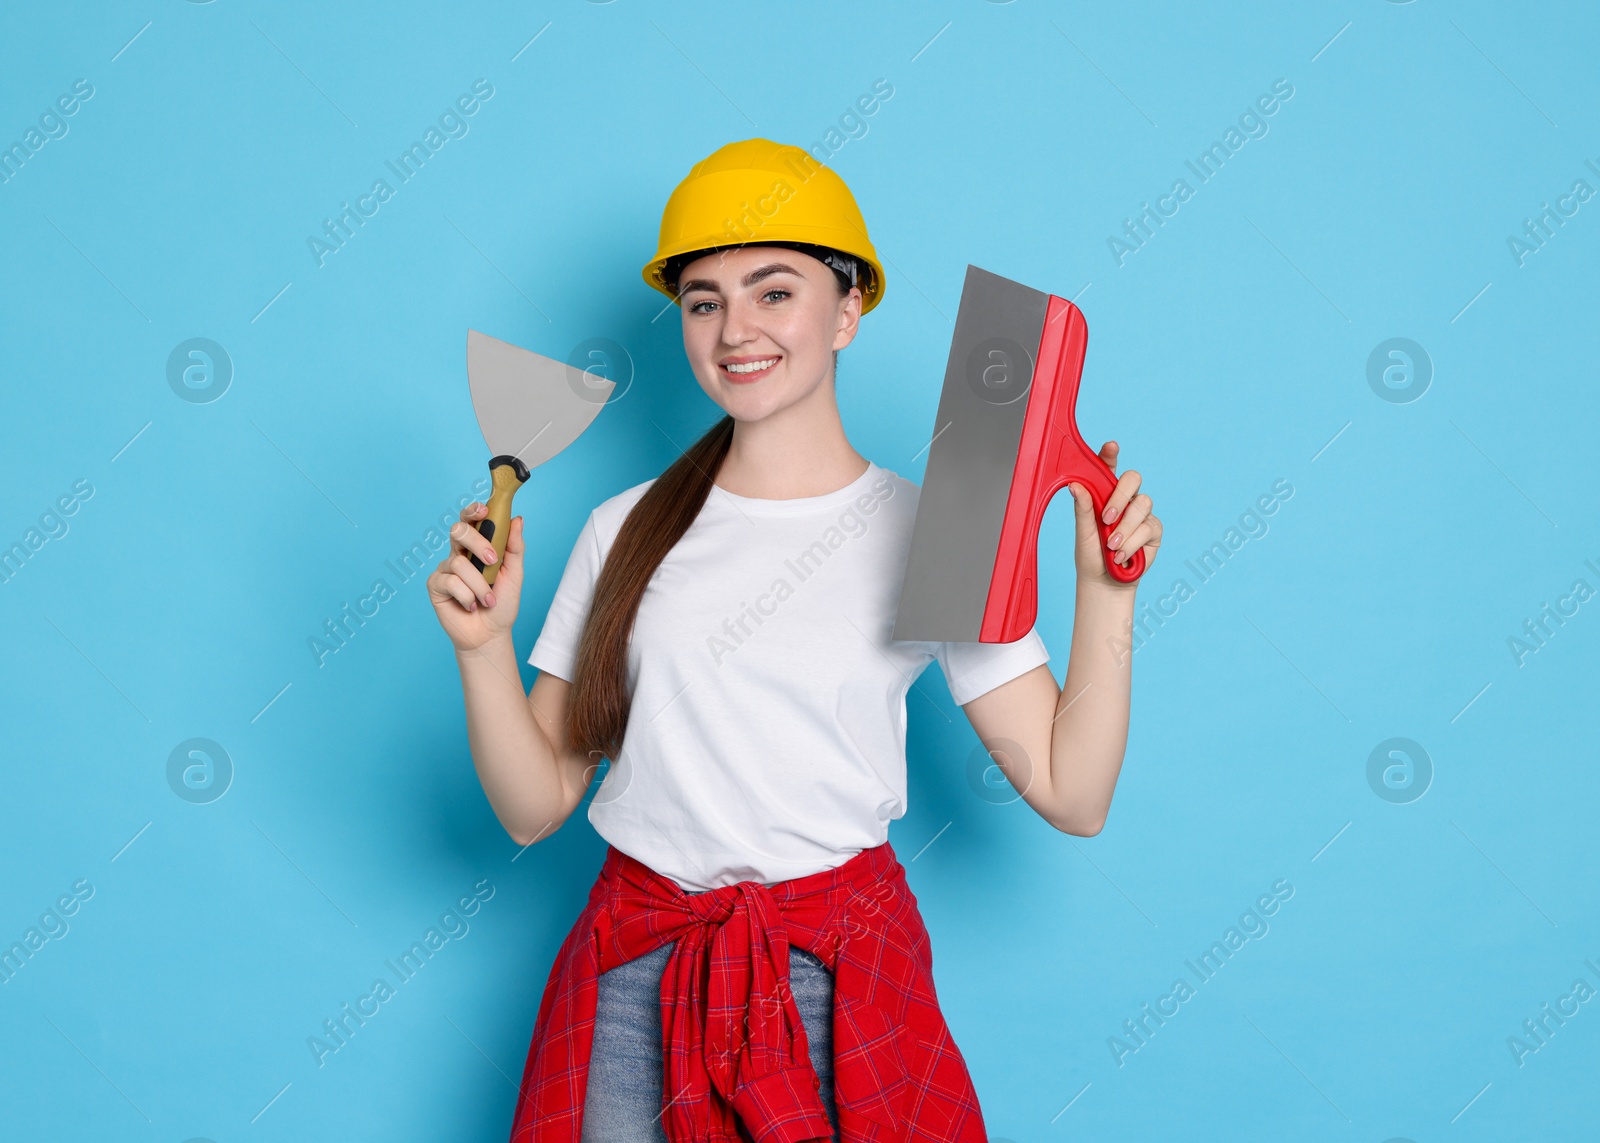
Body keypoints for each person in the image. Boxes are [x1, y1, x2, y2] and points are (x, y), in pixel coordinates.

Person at [428, 139, 1162, 1142]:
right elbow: (531, 809)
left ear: (848, 307)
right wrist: (482, 650)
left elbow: (1070, 790)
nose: (735, 329)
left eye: (774, 292)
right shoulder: (623, 527)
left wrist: (1103, 591)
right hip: (637, 970)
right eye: (703, 300)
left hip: (837, 977)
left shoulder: (936, 531)